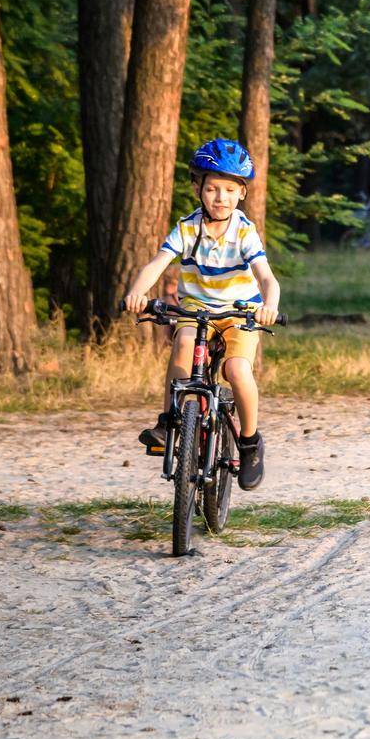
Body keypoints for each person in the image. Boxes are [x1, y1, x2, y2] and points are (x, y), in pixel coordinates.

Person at [121, 139, 281, 490]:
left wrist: (270, 305)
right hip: (196, 308)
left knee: (237, 369)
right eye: (211, 189)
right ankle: (168, 422)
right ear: (198, 188)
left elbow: (266, 276)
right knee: (183, 346)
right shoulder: (188, 228)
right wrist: (137, 292)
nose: (219, 197)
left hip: (240, 311)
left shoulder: (244, 231)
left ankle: (251, 442)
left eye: (228, 190)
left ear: (241, 194)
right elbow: (158, 263)